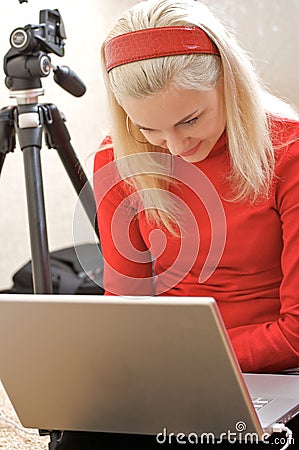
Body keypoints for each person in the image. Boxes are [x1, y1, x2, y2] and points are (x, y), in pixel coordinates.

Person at [57, 0, 299, 448]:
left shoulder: (289, 152)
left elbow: (297, 333)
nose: (175, 145)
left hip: (277, 369)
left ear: (230, 82)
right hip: (169, 365)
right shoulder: (118, 158)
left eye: (190, 120)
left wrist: (183, 357)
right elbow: (127, 305)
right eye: (148, 128)